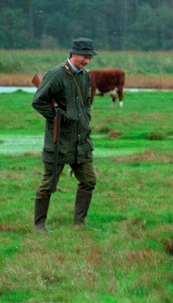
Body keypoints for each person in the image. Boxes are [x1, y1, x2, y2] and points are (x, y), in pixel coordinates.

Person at [31, 38, 98, 232]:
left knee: (89, 181)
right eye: (84, 57)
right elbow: (38, 101)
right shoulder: (56, 75)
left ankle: (79, 224)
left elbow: (85, 105)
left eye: (90, 58)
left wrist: (85, 121)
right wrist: (56, 117)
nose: (87, 61)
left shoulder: (85, 76)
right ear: (73, 54)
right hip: (59, 141)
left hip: (81, 141)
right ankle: (39, 225)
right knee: (48, 184)